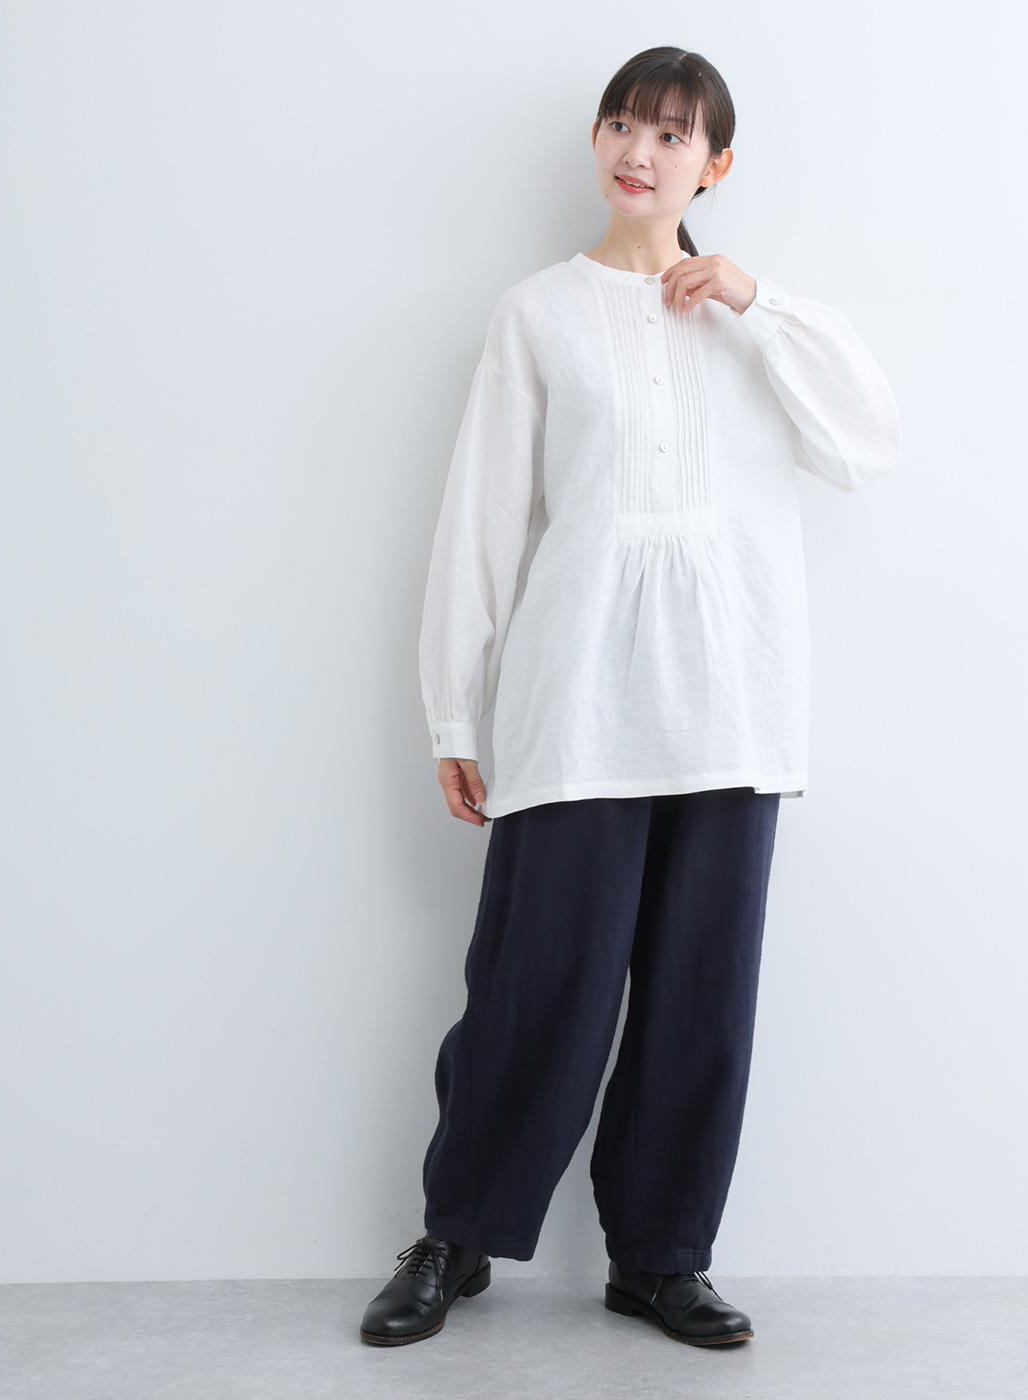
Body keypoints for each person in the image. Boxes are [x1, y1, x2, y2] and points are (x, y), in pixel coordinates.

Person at [361, 45, 902, 1349]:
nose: (637, 151)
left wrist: (756, 302)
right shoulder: (538, 313)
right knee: (536, 982)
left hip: (733, 703)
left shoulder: (758, 323)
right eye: (621, 124)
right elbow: (482, 520)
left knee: (700, 995)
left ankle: (662, 1259)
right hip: (579, 700)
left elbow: (867, 441)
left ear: (716, 164)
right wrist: (455, 709)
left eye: (670, 133)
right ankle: (456, 1235)